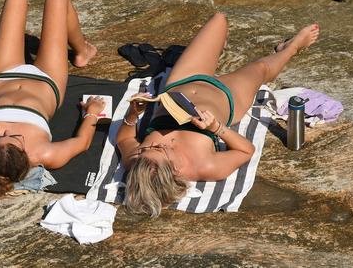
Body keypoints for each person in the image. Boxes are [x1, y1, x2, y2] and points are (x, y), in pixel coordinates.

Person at [117, 13, 320, 217]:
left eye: (150, 146)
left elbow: (124, 137)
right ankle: (291, 48)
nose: (157, 145)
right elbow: (246, 151)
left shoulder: (138, 161)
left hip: (182, 80)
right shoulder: (203, 166)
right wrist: (216, 128)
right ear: (171, 173)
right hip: (227, 95)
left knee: (219, 20)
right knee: (262, 68)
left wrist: (133, 114)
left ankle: (215, 51)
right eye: (160, 150)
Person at [0, 0, 102, 197]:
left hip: (4, 75)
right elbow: (82, 143)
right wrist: (93, 113)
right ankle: (82, 52)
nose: (6, 131)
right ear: (26, 153)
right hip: (47, 80)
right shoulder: (46, 153)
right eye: (14, 137)